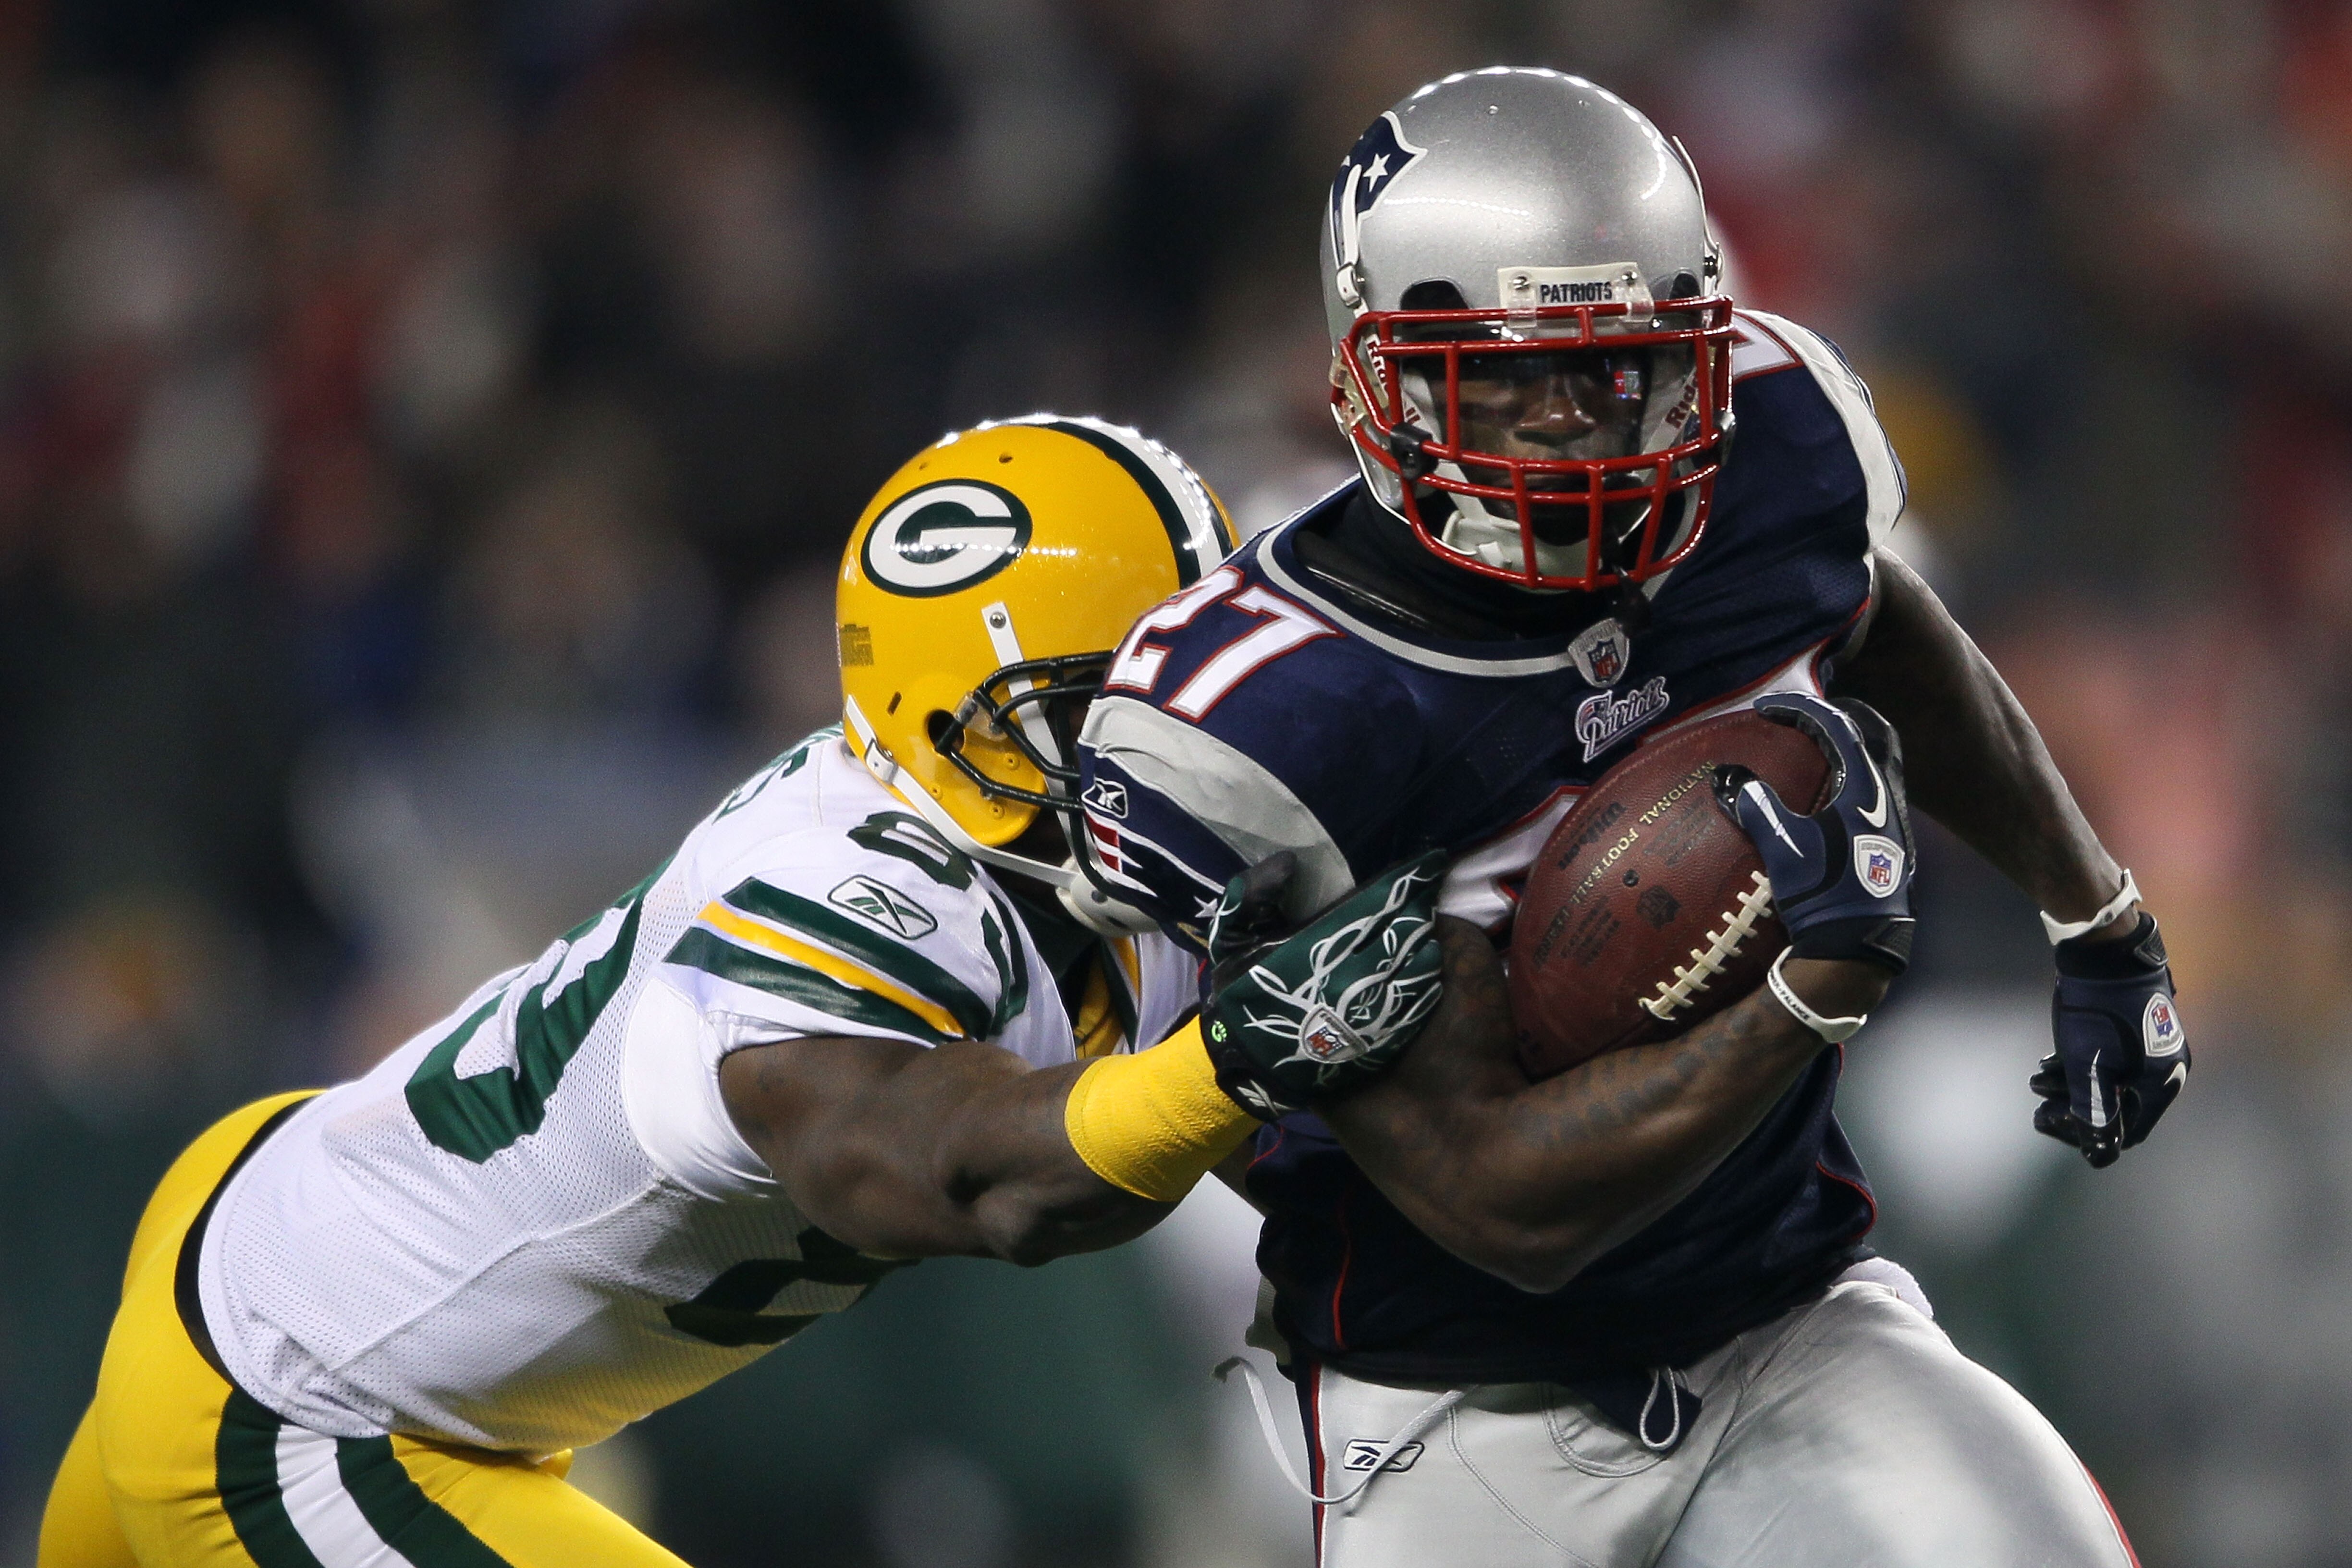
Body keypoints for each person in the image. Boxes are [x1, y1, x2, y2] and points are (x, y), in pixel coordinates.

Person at [35, 412, 1899, 1568]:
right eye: (1104, 700)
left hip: (310, 1245)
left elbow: (1464, 1176)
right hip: (307, 1395)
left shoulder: (1145, 854)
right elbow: (955, 1173)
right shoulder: (840, 893)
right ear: (954, 723)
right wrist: (1244, 1058)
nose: (1163, 730)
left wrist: (1772, 995)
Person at [1074, 71, 2185, 1566]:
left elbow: (1875, 616)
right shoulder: (1280, 711)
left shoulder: (1776, 445)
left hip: (1792, 1325)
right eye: (1505, 378)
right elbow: (1501, 1212)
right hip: (1458, 1412)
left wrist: (2096, 916)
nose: (1570, 427)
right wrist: (1805, 992)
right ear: (1372, 374)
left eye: (1622, 371)